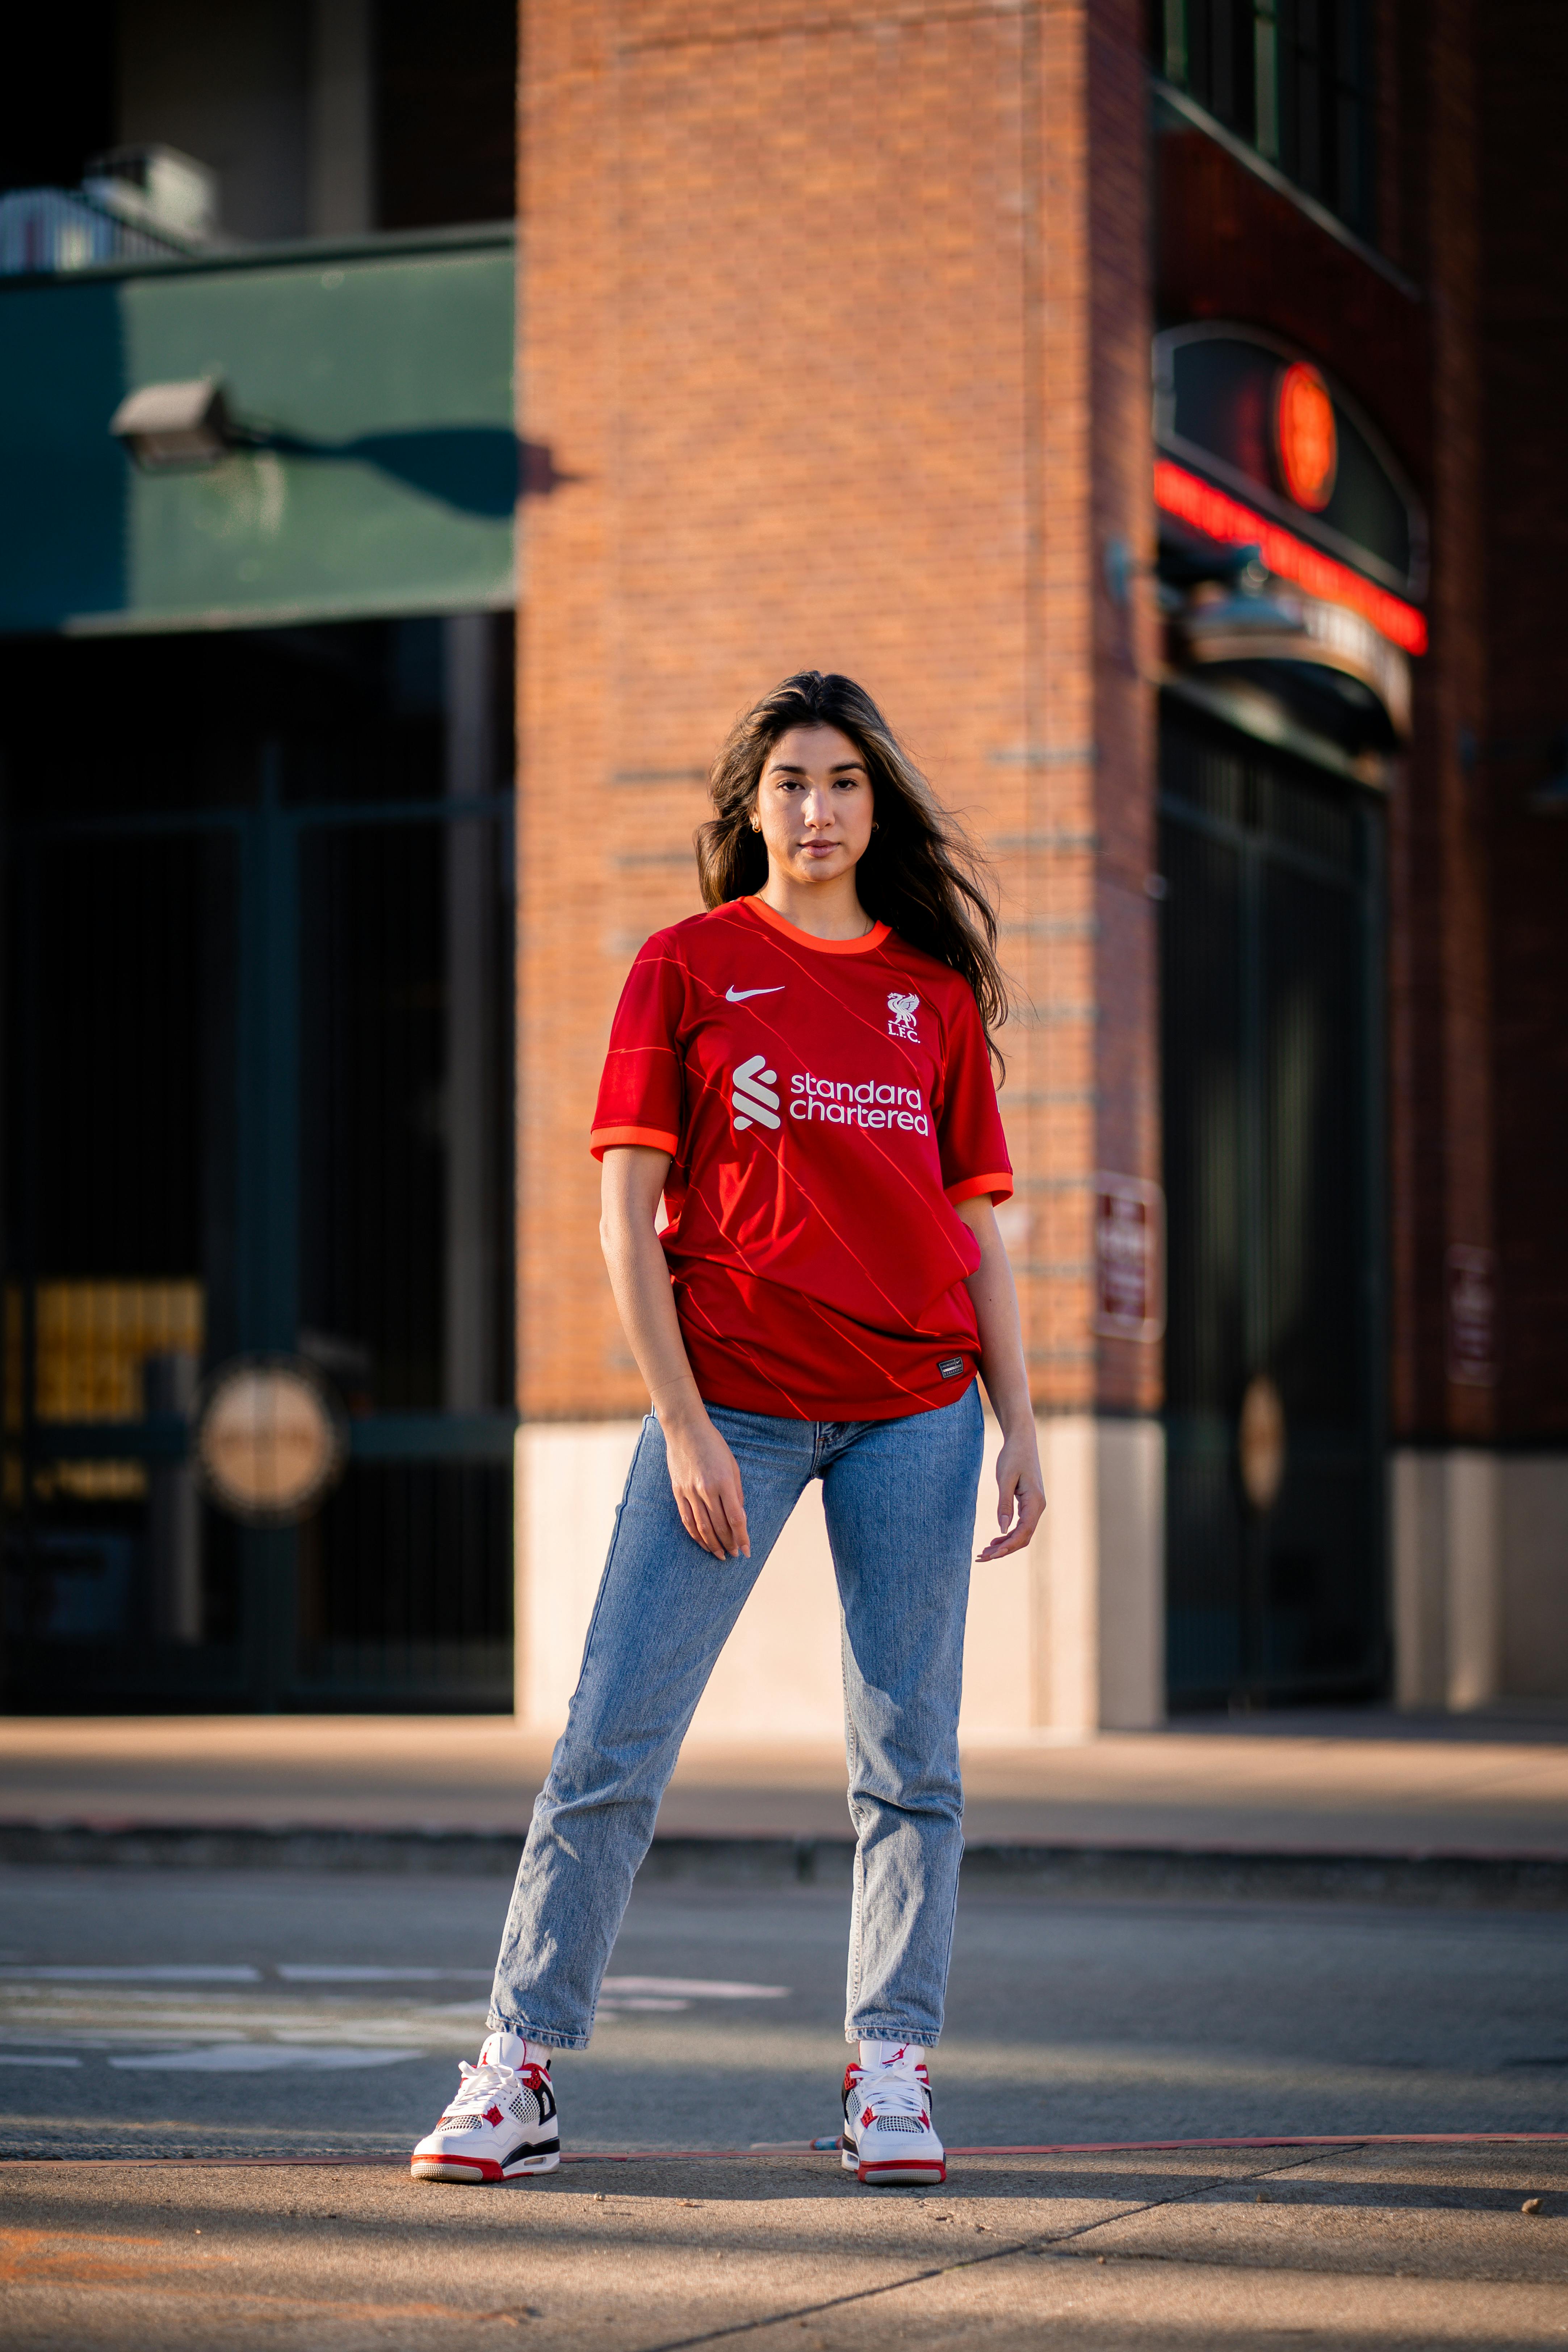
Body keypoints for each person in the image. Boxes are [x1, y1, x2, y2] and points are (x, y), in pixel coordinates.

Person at [412, 670, 1045, 2189]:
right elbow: (627, 1218)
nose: (817, 809)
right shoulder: (687, 966)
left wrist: (1019, 1422)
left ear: (874, 807)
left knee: (912, 1761)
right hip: (736, 1402)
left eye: (842, 783)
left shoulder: (933, 1001)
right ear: (750, 806)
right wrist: (683, 1425)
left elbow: (979, 1233)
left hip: (919, 1411)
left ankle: (888, 2070)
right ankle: (519, 2068)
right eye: (790, 783)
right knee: (612, 1743)